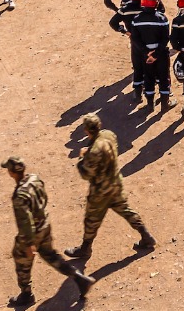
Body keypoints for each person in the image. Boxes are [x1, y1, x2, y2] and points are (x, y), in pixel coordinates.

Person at [2, 156, 93, 309]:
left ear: (12, 173)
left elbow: (25, 222)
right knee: (51, 256)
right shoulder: (35, 179)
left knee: (21, 260)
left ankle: (26, 294)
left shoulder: (19, 196)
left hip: (33, 232)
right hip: (45, 224)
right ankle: (79, 278)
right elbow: (44, 197)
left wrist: (28, 244)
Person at [65, 113, 154, 263]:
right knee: (126, 210)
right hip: (116, 183)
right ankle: (146, 236)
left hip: (101, 191)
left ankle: (85, 248)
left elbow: (86, 174)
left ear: (86, 130)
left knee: (91, 220)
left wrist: (81, 158)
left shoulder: (93, 152)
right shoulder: (109, 135)